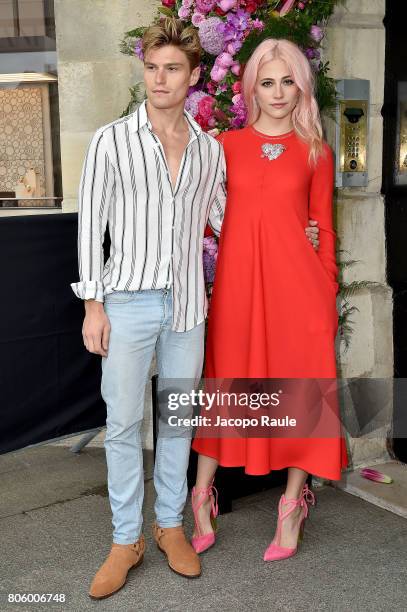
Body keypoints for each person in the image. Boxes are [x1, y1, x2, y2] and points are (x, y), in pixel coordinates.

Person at [71, 20, 320, 598]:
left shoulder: (209, 151)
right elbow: (91, 227)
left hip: (188, 308)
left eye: (173, 69)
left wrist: (294, 229)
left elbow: (226, 219)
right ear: (145, 72)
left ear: (193, 76)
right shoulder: (111, 141)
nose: (161, 79)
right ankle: (125, 540)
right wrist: (93, 305)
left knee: (177, 422)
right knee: (126, 423)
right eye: (152, 68)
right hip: (127, 301)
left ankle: (170, 527)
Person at [191, 38, 348, 561]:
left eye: (288, 81)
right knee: (228, 383)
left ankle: (291, 504)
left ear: (300, 85)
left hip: (299, 293)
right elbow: (202, 212)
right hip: (238, 289)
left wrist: (326, 290)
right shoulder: (223, 146)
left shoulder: (316, 151)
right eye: (267, 81)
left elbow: (323, 229)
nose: (279, 92)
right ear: (250, 87)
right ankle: (201, 494)